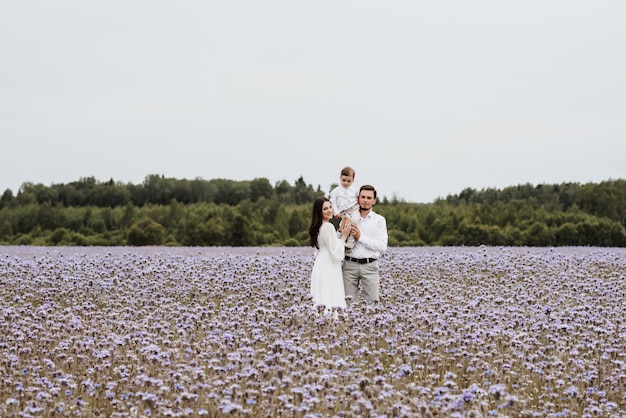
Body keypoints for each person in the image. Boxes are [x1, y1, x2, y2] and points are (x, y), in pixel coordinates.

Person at [341, 184, 388, 304]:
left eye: (369, 198)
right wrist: (340, 232)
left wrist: (360, 237)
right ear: (358, 199)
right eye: (363, 197)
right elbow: (340, 240)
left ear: (374, 201)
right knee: (348, 304)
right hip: (349, 265)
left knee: (373, 303)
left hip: (370, 266)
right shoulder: (348, 217)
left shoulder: (379, 220)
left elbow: (382, 245)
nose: (365, 201)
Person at [308, 197, 352, 312]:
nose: (329, 210)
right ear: (319, 212)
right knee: (331, 297)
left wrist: (338, 234)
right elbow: (337, 255)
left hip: (320, 265)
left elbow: (326, 246)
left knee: (321, 297)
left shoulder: (319, 226)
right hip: (329, 266)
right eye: (325, 209)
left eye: (330, 207)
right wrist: (344, 236)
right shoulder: (328, 226)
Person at [329, 166, 360, 249]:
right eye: (344, 180)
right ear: (340, 178)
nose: (346, 183)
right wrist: (336, 212)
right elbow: (333, 202)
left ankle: (350, 241)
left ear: (353, 180)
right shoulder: (335, 191)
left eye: (349, 181)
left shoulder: (355, 190)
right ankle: (341, 240)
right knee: (345, 225)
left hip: (354, 209)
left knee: (355, 221)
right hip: (343, 212)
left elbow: (359, 200)